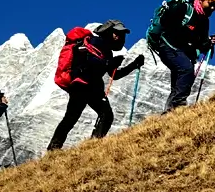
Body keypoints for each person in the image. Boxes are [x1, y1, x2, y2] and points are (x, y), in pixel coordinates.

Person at [46, 20, 144, 151]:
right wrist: (110, 62)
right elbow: (92, 61)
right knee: (100, 115)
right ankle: (91, 145)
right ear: (109, 32)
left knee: (75, 117)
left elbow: (114, 74)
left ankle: (59, 147)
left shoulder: (107, 51)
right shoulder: (93, 41)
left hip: (89, 86)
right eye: (117, 33)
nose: (118, 37)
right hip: (82, 84)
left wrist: (134, 64)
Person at [146, 0, 215, 113]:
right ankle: (177, 106)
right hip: (167, 46)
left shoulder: (204, 21)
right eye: (210, 3)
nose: (212, 8)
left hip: (182, 52)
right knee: (186, 70)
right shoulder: (184, 8)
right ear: (201, 0)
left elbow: (202, 44)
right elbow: (165, 21)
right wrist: (184, 34)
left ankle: (169, 114)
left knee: (178, 83)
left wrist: (208, 43)